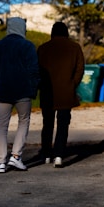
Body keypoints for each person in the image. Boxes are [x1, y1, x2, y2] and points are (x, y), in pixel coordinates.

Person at [0, 17, 40, 173]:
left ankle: (1, 161)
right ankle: (16, 156)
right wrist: (34, 86)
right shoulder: (27, 46)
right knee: (23, 121)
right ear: (22, 28)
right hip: (23, 90)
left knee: (2, 125)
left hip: (3, 90)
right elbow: (34, 69)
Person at [37, 22, 85, 168]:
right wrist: (72, 84)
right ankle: (58, 154)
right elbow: (80, 69)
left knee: (47, 124)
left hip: (47, 92)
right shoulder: (75, 47)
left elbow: (37, 70)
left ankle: (46, 154)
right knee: (63, 124)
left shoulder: (43, 48)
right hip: (66, 91)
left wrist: (42, 85)